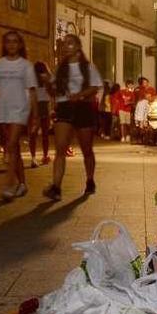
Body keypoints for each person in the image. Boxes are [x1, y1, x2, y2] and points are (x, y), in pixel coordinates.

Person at [43, 34, 103, 201]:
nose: (65, 46)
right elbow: (53, 92)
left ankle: (90, 180)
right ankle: (56, 187)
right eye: (64, 43)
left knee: (86, 150)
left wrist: (80, 95)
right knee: (60, 148)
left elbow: (95, 87)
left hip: (83, 108)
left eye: (70, 43)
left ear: (78, 46)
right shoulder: (60, 68)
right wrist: (48, 82)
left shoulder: (88, 67)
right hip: (64, 107)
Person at [0, 30, 38, 200]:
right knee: (13, 147)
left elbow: (33, 91)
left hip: (20, 109)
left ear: (20, 44)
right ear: (4, 44)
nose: (12, 44)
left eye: (15, 41)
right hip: (3, 110)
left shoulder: (26, 66)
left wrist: (35, 116)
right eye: (8, 41)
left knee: (11, 143)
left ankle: (9, 185)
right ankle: (22, 183)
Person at [29, 61, 53, 168]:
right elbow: (53, 92)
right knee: (45, 134)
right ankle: (45, 155)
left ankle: (33, 158)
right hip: (44, 106)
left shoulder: (32, 79)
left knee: (33, 134)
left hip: (35, 106)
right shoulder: (47, 78)